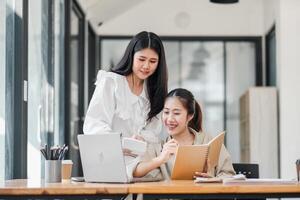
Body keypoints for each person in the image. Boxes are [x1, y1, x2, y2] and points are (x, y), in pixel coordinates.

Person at [83, 31, 168, 178]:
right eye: (141, 59)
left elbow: (153, 132)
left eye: (153, 61)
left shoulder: (154, 91)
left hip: (142, 167)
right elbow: (93, 125)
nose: (146, 66)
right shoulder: (111, 82)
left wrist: (142, 139)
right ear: (131, 56)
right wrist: (122, 142)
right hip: (110, 163)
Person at [133, 88, 235, 180]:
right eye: (166, 112)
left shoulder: (208, 141)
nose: (170, 119)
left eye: (176, 113)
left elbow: (228, 174)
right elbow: (136, 172)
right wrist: (160, 159)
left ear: (190, 116)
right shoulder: (158, 147)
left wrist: (212, 180)